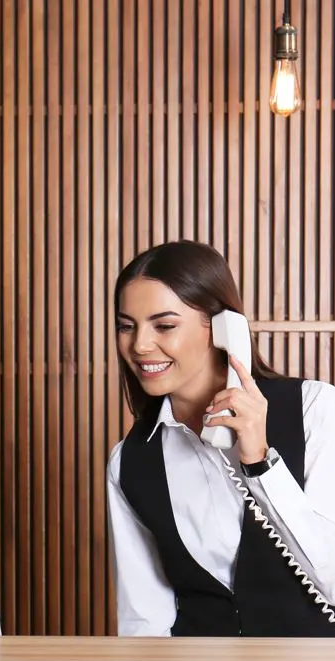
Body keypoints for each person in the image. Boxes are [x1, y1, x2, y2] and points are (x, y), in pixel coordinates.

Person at [107, 240, 335, 637]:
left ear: (223, 328)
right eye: (127, 326)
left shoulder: (315, 409)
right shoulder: (130, 461)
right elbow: (144, 620)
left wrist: (260, 464)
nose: (139, 345)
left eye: (164, 325)